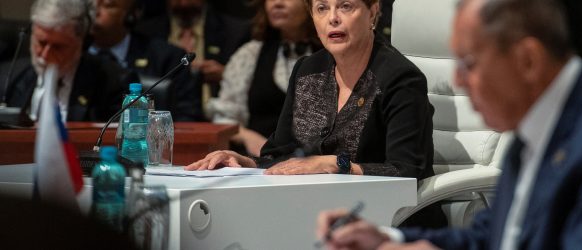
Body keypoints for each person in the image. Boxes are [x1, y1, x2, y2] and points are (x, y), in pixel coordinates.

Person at [316, 0, 582, 249]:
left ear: (527, 60)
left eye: (468, 63)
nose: (456, 80)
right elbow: (490, 236)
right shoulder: (531, 133)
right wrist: (387, 238)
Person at [187, 0, 435, 179]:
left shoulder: (400, 78)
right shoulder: (307, 71)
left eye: (345, 6)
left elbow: (407, 169)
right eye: (322, 8)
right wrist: (247, 162)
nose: (332, 18)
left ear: (373, 12)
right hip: (314, 207)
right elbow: (280, 154)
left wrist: (337, 164)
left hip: (384, 217)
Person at [205, 0, 320, 156]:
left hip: (318, 162)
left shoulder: (332, 54)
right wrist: (248, 137)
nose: (277, 3)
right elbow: (224, 117)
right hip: (261, 162)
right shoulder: (250, 54)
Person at [0, 0, 135, 124]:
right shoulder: (6, 78)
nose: (45, 55)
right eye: (41, 43)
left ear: (82, 44)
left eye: (58, 47)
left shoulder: (114, 83)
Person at [89, 0, 202, 121]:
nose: (95, 12)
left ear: (132, 14)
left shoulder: (168, 58)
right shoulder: (72, 54)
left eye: (107, 6)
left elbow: (187, 118)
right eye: (91, 6)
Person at [133, 0, 251, 98]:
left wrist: (226, 75)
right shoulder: (145, 33)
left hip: (216, 118)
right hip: (164, 117)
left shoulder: (235, 32)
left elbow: (256, 86)